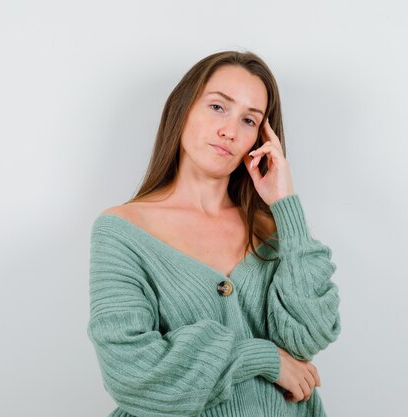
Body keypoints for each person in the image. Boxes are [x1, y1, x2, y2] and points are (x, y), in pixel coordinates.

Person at [87, 50, 341, 417]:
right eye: (218, 107)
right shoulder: (122, 232)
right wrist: (261, 357)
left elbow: (308, 336)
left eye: (249, 120)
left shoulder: (273, 231)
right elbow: (132, 373)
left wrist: (286, 205)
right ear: (183, 108)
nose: (230, 131)